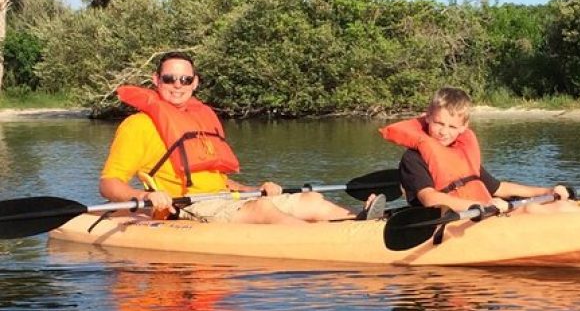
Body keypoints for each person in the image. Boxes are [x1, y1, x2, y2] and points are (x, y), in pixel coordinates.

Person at [100, 51, 385, 224]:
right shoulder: (137, 125)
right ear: (156, 80)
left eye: (185, 80)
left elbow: (217, 180)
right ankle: (338, 240)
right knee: (263, 210)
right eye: (170, 79)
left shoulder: (201, 119)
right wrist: (144, 195)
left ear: (195, 82)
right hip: (189, 206)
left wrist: (254, 188)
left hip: (226, 198)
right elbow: (109, 183)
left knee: (309, 200)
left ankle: (359, 223)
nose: (178, 85)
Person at [379, 87, 571, 214]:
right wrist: (485, 205)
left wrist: (547, 190)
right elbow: (430, 199)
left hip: (481, 214)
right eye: (439, 123)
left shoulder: (461, 153)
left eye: (452, 127)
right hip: (446, 223)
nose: (444, 132)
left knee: (561, 205)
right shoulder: (413, 159)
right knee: (531, 211)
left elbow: (499, 188)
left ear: (464, 127)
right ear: (427, 117)